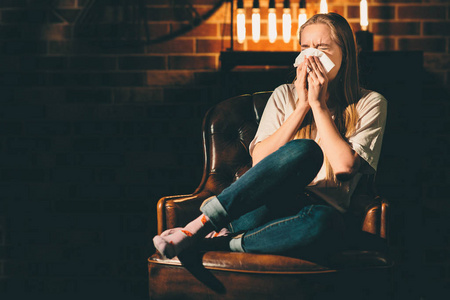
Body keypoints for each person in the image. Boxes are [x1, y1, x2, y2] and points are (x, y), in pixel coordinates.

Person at [153, 13, 387, 261]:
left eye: (322, 48)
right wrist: (302, 107)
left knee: (326, 222)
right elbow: (260, 162)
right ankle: (198, 225)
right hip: (263, 207)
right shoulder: (284, 95)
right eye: (305, 47)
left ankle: (222, 243)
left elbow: (345, 168)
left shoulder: (370, 103)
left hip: (311, 215)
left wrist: (318, 107)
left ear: (345, 54)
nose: (311, 56)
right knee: (306, 150)